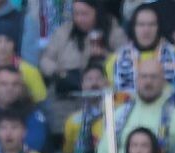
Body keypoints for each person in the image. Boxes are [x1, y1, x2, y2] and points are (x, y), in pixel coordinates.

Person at [40, 0, 125, 130]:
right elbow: (46, 59)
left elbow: (124, 59)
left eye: (85, 14)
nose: (79, 19)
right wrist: (58, 71)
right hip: (67, 95)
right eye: (76, 14)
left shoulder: (113, 30)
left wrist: (106, 55)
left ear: (96, 12)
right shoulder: (64, 32)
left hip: (101, 95)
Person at [108, 4, 175, 103]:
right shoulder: (115, 60)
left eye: (152, 24)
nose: (146, 30)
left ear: (159, 27)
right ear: (133, 27)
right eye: (141, 24)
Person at [0, 27, 49, 109]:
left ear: (14, 44)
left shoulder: (30, 71)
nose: (3, 46)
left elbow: (41, 103)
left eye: (8, 41)